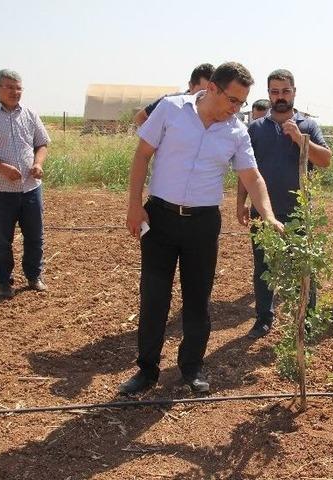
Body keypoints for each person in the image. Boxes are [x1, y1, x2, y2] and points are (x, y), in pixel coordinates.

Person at [120, 62, 283, 395]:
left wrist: (267, 214)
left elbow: (252, 177)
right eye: (233, 100)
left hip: (203, 224)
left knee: (197, 300)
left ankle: (191, 367)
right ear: (212, 89)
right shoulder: (170, 110)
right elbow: (142, 155)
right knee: (154, 298)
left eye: (242, 103)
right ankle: (147, 370)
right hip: (160, 219)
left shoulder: (237, 131)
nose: (237, 109)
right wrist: (134, 206)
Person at [236, 69, 332, 340]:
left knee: (303, 267)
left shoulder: (308, 126)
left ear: (294, 92)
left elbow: (326, 161)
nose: (280, 97)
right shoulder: (255, 128)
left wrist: (303, 142)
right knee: (263, 266)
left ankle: (306, 319)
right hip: (263, 213)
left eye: (285, 91)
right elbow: (245, 171)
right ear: (268, 94)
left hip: (298, 213)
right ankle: (264, 318)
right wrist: (241, 203)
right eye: (275, 92)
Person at [0, 69, 51, 298]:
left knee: (35, 235)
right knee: (2, 238)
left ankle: (34, 276)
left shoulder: (30, 114)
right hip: (0, 190)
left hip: (30, 188)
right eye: (9, 87)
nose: (15, 92)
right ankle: (3, 281)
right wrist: (2, 168)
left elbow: (41, 144)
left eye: (18, 88)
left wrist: (38, 163)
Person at [132, 63, 215, 127]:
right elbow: (140, 118)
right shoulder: (169, 102)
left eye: (211, 91)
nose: (206, 96)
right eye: (202, 92)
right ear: (191, 86)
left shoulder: (220, 110)